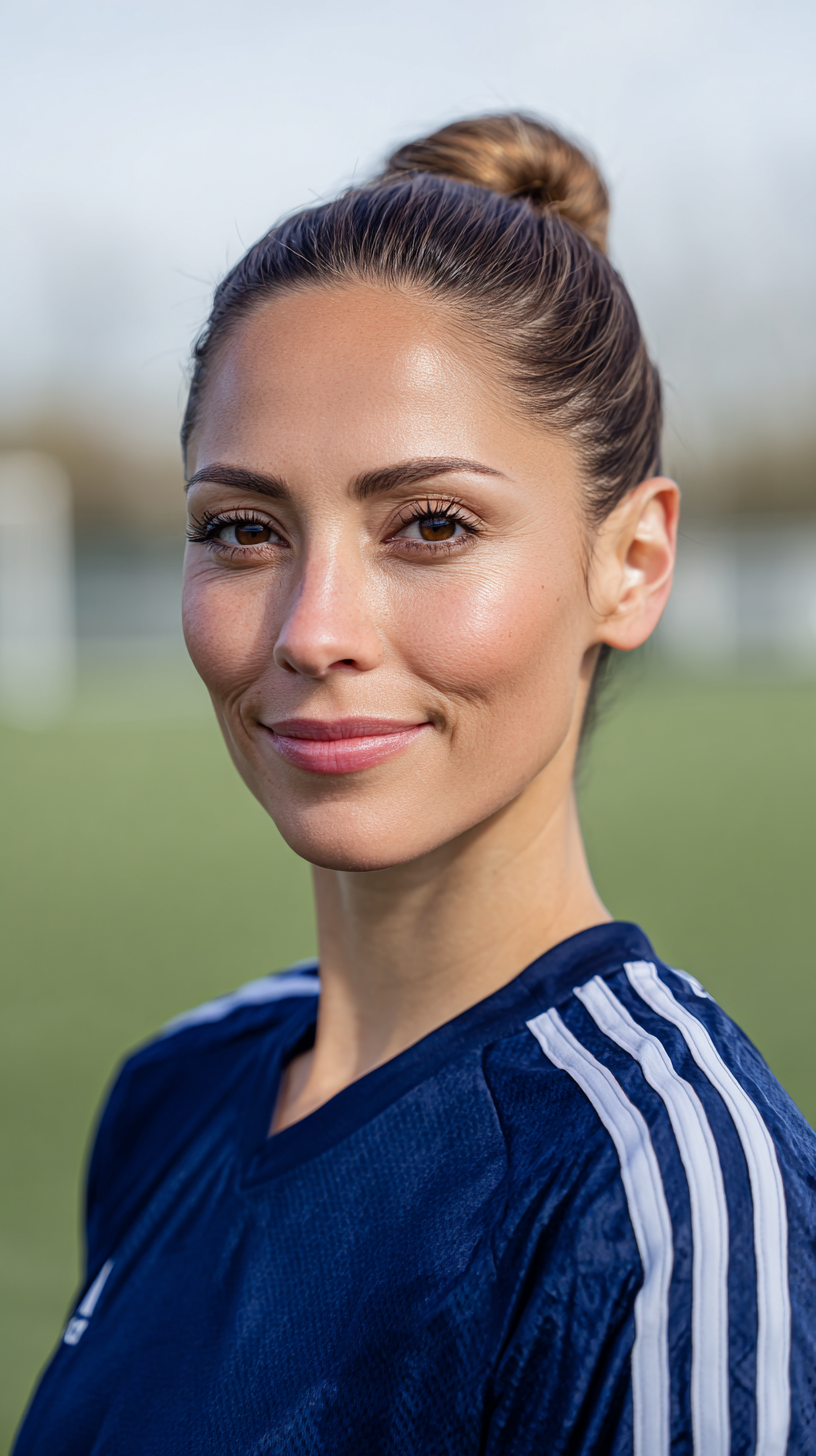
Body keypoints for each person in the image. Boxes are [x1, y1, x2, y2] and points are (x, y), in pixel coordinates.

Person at [14, 113, 815, 1456]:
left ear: (631, 564)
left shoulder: (666, 1200)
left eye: (431, 525)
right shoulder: (178, 1085)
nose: (313, 629)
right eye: (243, 529)